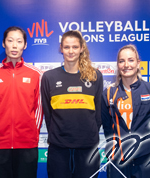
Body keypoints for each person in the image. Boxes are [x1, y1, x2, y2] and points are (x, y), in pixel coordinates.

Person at [41, 30, 103, 178]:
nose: (71, 51)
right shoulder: (49, 77)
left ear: (82, 48)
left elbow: (99, 112)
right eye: (67, 47)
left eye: (75, 47)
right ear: (61, 48)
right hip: (59, 149)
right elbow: (48, 114)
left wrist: (88, 134)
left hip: (88, 148)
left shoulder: (95, 76)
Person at [101, 44, 150, 178]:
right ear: (118, 65)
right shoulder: (108, 93)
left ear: (138, 63)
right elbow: (107, 127)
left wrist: (148, 148)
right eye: (122, 61)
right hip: (118, 160)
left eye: (131, 60)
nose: (126, 65)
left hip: (145, 161)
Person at [0, 26, 43, 178]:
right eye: (10, 41)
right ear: (4, 44)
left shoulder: (36, 75)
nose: (14, 45)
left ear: (25, 45)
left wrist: (31, 134)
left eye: (19, 41)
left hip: (27, 143)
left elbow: (39, 109)